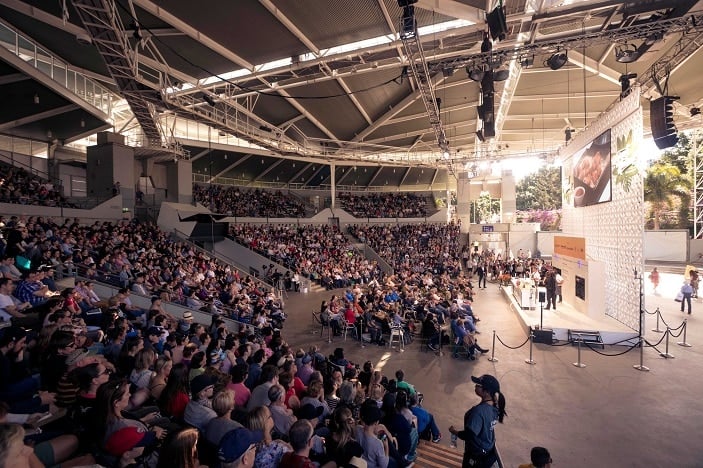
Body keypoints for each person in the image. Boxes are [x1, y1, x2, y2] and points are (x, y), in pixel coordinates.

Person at [449, 374, 506, 468]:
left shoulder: (479, 412)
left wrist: (454, 432)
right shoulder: (494, 405)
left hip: (476, 453)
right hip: (487, 447)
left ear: (487, 392)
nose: (475, 386)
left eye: (478, 385)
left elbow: (469, 435)